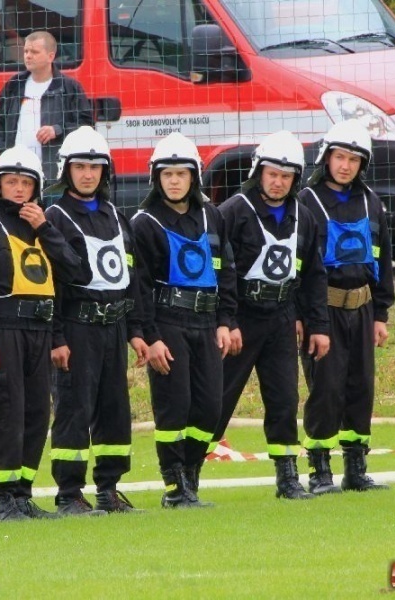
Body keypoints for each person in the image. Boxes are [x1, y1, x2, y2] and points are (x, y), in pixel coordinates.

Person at [213, 130, 330, 500]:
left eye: (286, 175)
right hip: (241, 318)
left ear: (296, 178)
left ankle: (287, 478)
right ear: (258, 171)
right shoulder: (232, 212)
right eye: (272, 174)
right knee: (219, 397)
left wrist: (318, 325)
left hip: (281, 316)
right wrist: (226, 321)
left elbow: (313, 275)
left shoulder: (305, 217)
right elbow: (219, 272)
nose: (278, 182)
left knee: (283, 398)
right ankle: (185, 475)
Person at [0, 145, 82, 521]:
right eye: (10, 182)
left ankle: (23, 493)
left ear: (37, 187)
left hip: (40, 330)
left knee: (36, 413)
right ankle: (2, 499)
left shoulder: (44, 224)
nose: (18, 189)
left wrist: (45, 228)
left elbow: (72, 272)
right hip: (4, 331)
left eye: (25, 183)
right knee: (6, 412)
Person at [44, 126, 149, 515]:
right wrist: (56, 337)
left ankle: (109, 487)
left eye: (95, 167)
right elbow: (50, 285)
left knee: (114, 409)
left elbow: (131, 278)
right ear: (66, 170)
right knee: (74, 408)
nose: (88, 174)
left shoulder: (116, 216)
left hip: (114, 327)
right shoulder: (53, 217)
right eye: (80, 166)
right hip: (77, 327)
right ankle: (69, 493)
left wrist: (137, 332)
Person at [130, 132, 237, 508]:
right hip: (169, 322)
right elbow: (139, 286)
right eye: (167, 173)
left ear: (195, 177)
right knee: (174, 407)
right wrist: (151, 336)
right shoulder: (144, 222)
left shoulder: (213, 215)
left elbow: (226, 272)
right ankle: (175, 486)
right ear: (155, 178)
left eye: (182, 173)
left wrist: (226, 320)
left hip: (207, 324)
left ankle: (191, 474)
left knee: (209, 407)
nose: (174, 180)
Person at [298, 120, 395, 493]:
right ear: (326, 157)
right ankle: (320, 471)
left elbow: (383, 258)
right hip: (323, 311)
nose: (346, 165)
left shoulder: (370, 201)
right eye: (340, 156)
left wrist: (381, 314)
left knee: (360, 388)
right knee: (326, 388)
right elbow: (299, 265)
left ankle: (356, 468)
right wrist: (302, 317)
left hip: (364, 308)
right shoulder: (306, 201)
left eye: (354, 159)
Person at [0, 30, 93, 181]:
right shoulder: (13, 86)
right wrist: (1, 157)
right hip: (16, 172)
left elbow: (87, 126)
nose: (28, 56)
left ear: (51, 56)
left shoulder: (69, 88)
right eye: (25, 51)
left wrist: (57, 130)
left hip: (55, 174)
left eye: (34, 52)